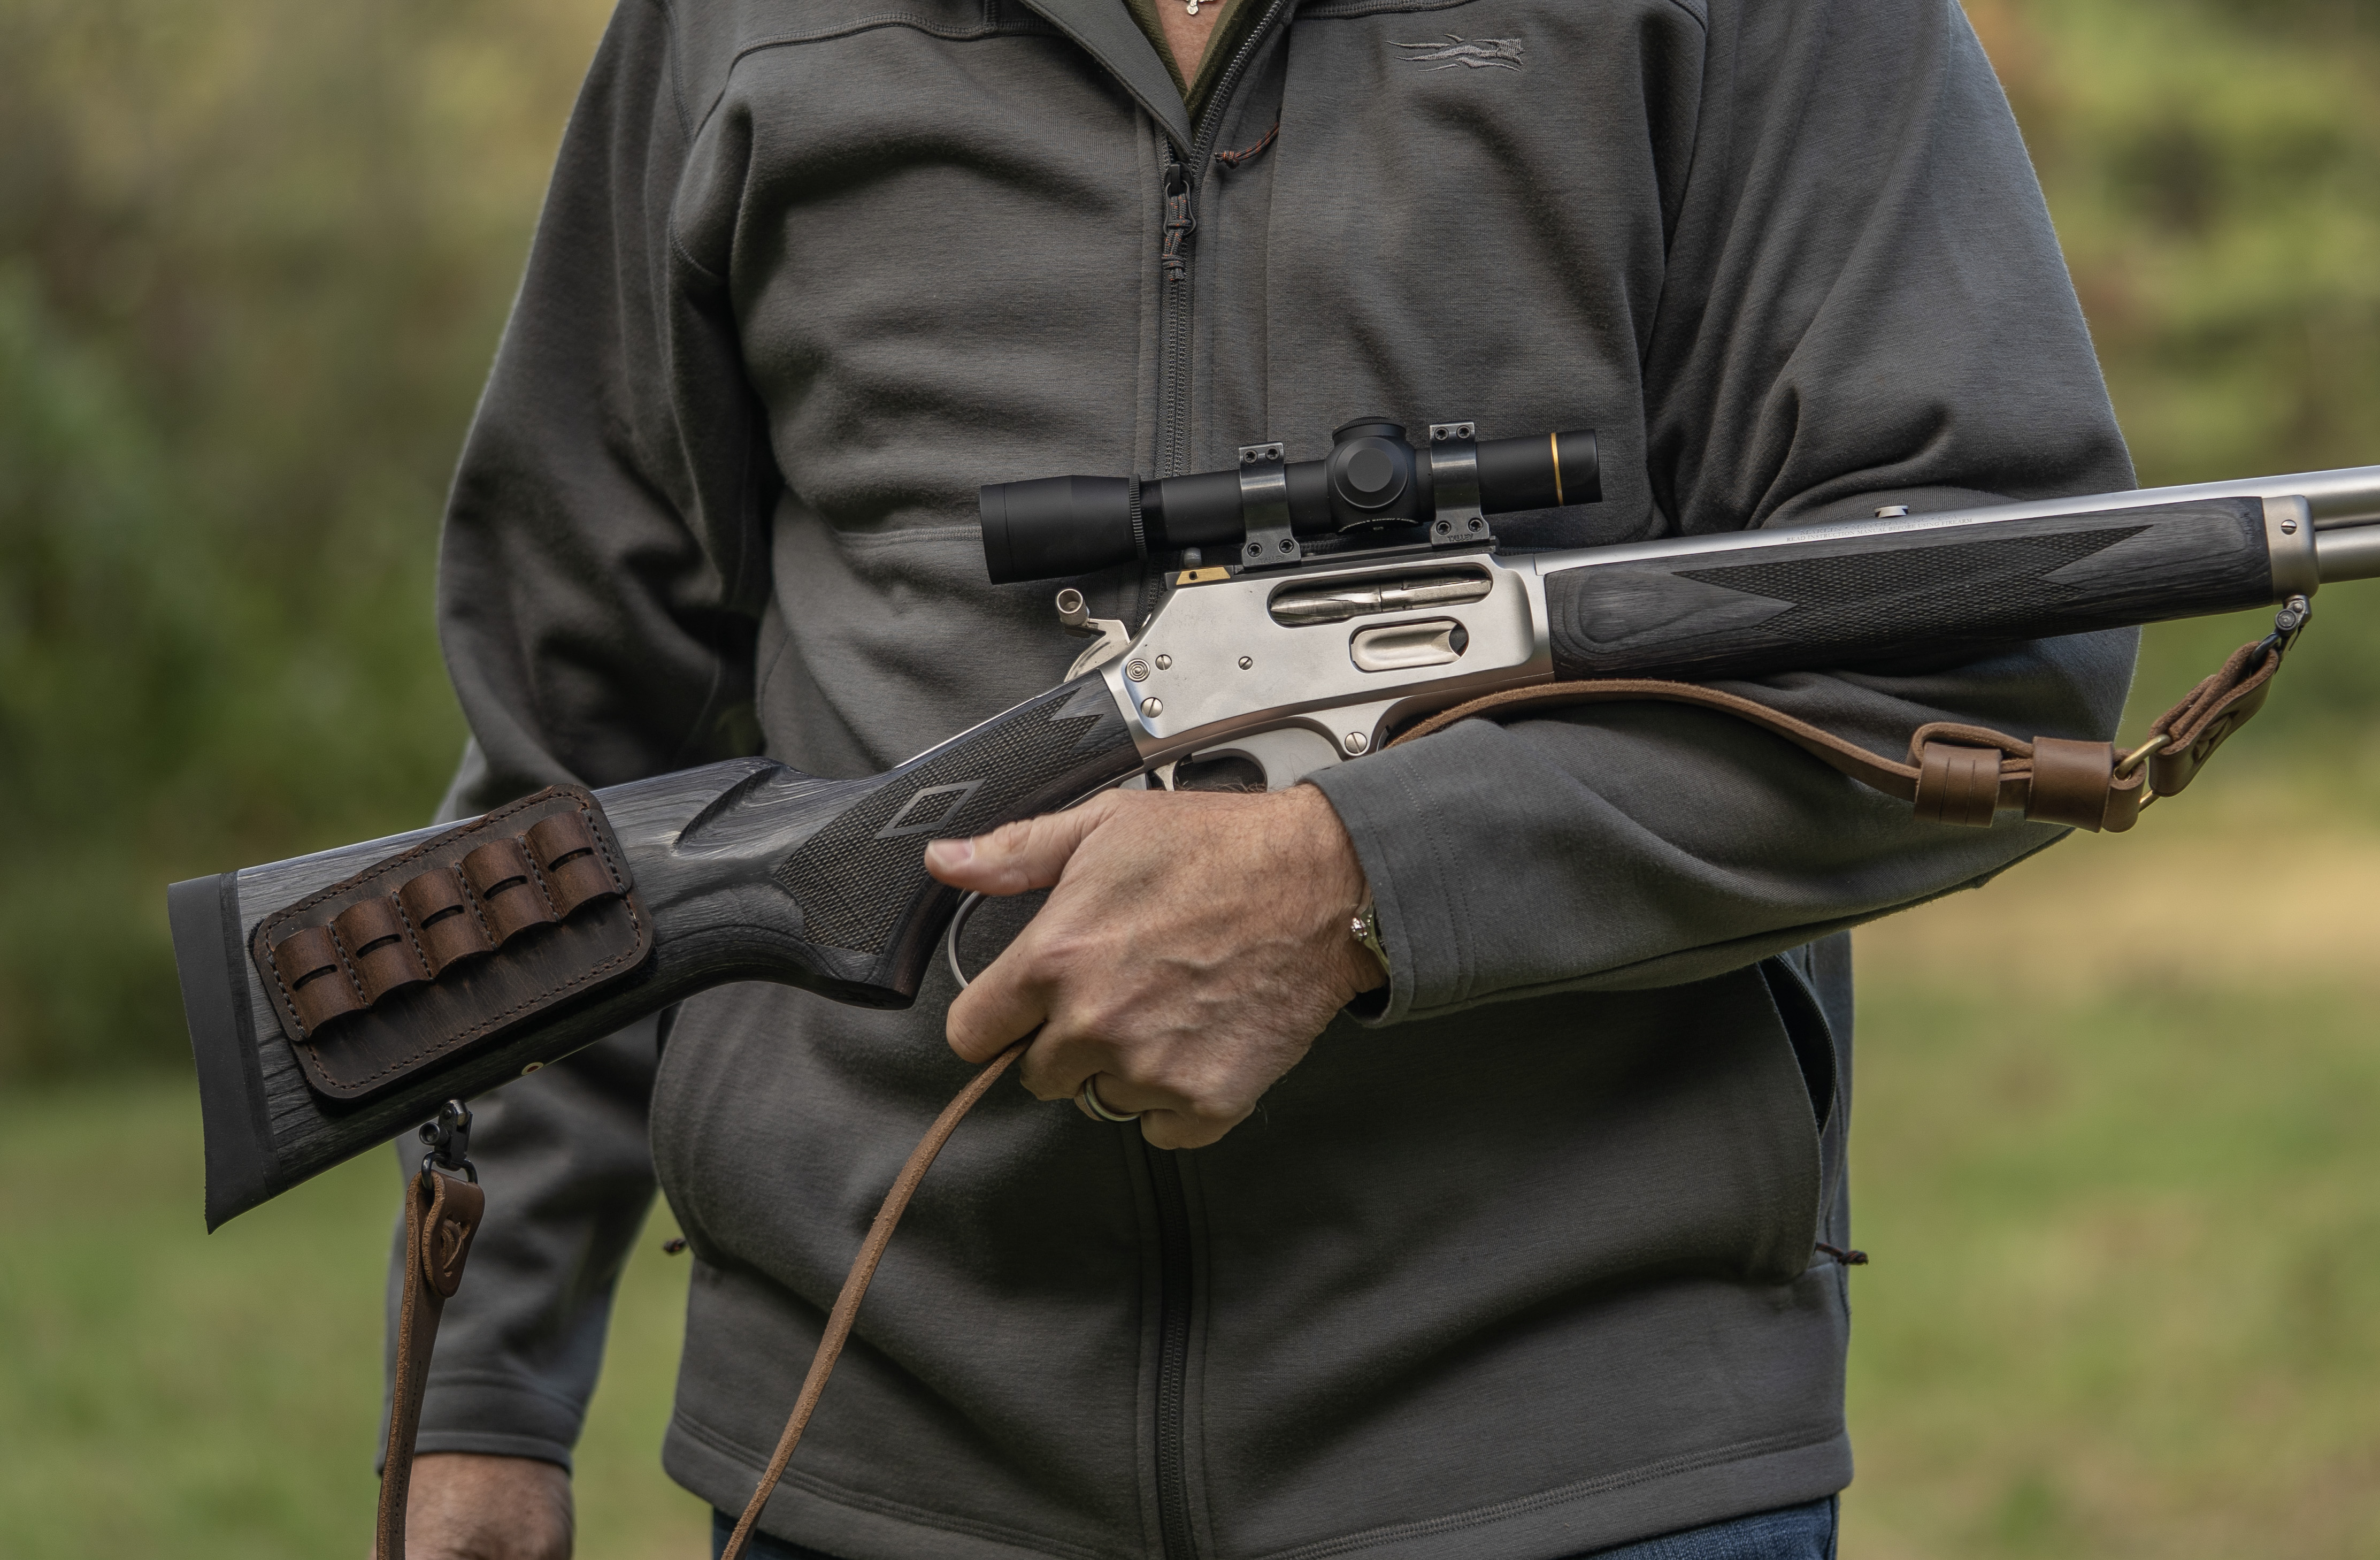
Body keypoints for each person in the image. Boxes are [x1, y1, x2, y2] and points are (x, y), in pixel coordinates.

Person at [386, 0, 2138, 1554]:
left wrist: (1360, 881)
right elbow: (578, 728)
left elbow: (1982, 621)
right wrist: (480, 1386)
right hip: (863, 1462)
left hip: (1577, 1450)